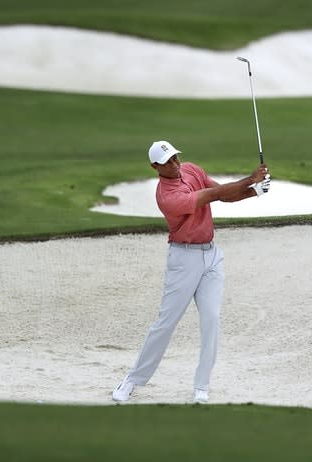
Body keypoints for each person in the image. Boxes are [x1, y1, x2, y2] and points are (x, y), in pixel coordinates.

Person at [112, 140, 270, 404]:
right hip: (184, 259)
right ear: (155, 166)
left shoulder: (192, 170)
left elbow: (221, 192)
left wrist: (254, 190)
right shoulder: (167, 196)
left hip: (211, 256)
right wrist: (250, 178)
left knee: (212, 319)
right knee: (165, 323)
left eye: (175, 158)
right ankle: (132, 380)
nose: (175, 165)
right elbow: (212, 196)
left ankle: (201, 386)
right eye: (168, 162)